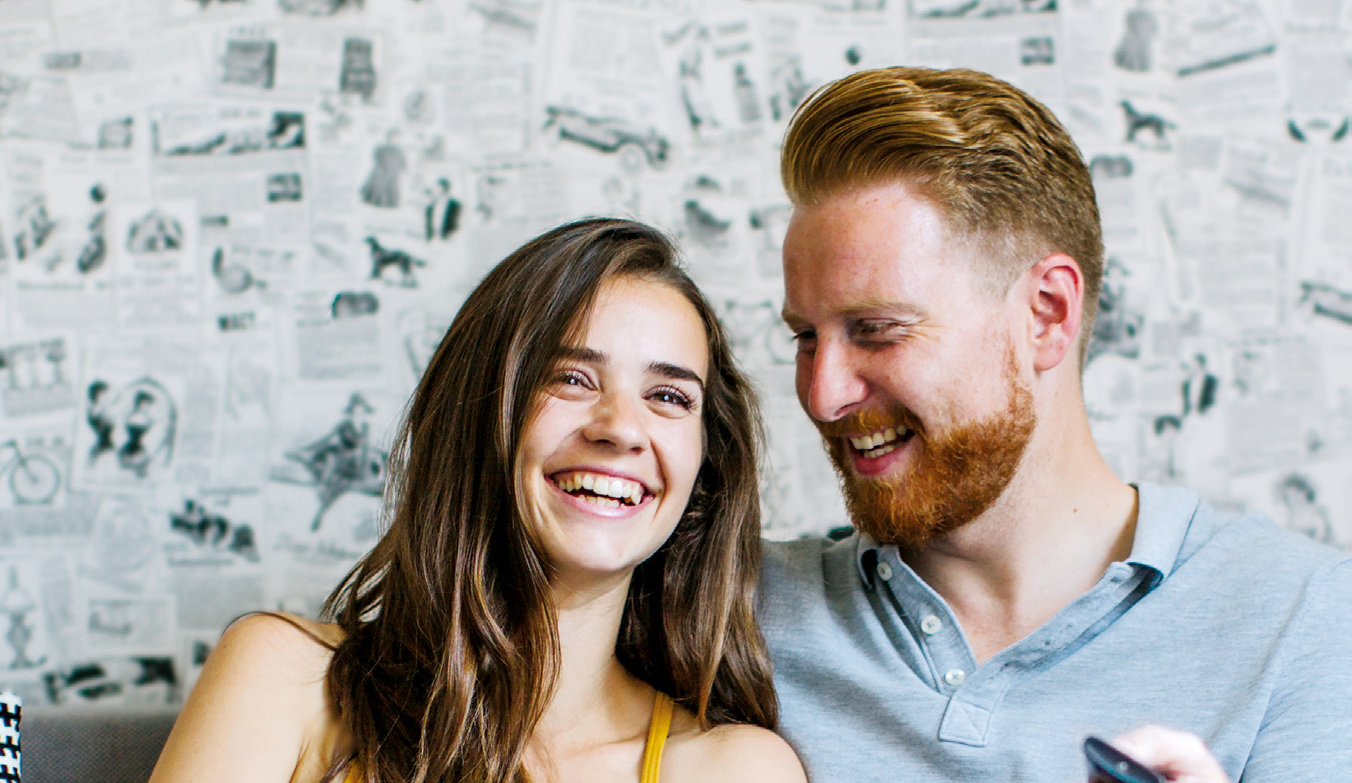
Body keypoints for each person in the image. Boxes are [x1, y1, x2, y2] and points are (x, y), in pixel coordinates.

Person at [760, 66, 1352, 783]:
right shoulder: (734, 611)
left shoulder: (1308, 621)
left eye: (877, 330)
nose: (823, 394)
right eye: (806, 337)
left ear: (1047, 313)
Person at [149, 218, 805, 783]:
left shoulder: (737, 768)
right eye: (571, 378)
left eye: (668, 396)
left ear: (704, 469)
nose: (621, 428)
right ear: (479, 409)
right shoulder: (282, 677)